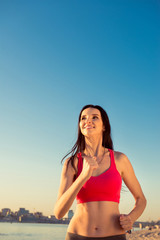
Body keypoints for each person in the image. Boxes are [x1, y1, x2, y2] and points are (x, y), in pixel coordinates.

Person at [54, 104, 147, 240]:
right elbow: (59, 212)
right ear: (80, 126)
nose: (88, 121)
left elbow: (141, 200)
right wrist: (83, 177)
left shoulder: (120, 159)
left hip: (114, 235)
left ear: (104, 126)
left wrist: (131, 218)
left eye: (95, 117)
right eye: (83, 118)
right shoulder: (71, 162)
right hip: (77, 236)